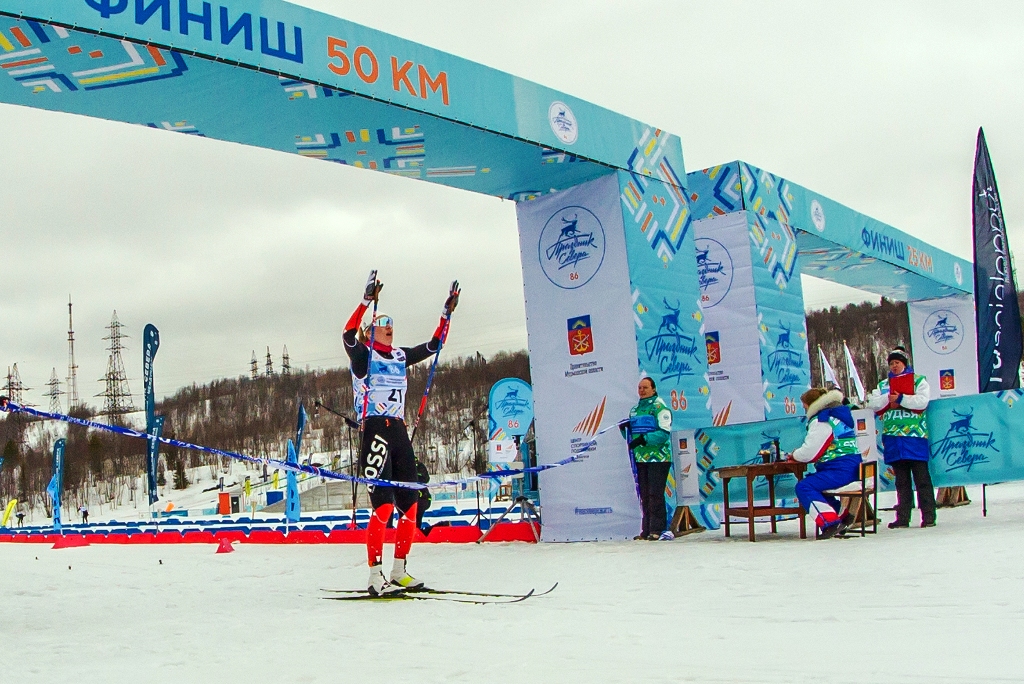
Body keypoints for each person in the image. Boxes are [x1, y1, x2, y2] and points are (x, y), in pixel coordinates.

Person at [344, 272, 457, 595]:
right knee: (381, 506)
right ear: (371, 332)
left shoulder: (398, 355)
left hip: (399, 432)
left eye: (392, 323)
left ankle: (399, 570)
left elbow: (434, 346)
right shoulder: (364, 356)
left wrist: (445, 314)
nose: (390, 327)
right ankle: (374, 574)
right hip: (375, 430)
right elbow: (347, 333)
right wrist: (366, 301)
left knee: (411, 504)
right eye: (383, 323)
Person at [866, 346, 935, 528]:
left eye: (897, 362)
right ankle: (903, 517)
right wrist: (889, 398)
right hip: (894, 439)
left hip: (915, 437)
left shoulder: (918, 381)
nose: (894, 366)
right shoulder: (883, 385)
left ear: (904, 363)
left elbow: (922, 402)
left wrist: (902, 398)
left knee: (922, 479)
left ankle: (928, 517)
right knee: (901, 481)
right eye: (891, 363)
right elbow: (873, 404)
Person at [786, 387, 862, 539]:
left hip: (839, 468)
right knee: (816, 483)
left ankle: (830, 522)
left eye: (804, 405)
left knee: (804, 486)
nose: (804, 409)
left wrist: (794, 454)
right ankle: (840, 516)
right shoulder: (838, 416)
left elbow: (810, 451)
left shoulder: (822, 419)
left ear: (812, 404)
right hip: (851, 466)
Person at [620, 377, 674, 541]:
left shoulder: (660, 408)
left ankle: (657, 529)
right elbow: (632, 436)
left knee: (655, 494)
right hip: (641, 458)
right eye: (639, 388)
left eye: (645, 387)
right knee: (644, 494)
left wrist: (644, 439)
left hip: (659, 458)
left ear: (654, 389)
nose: (642, 390)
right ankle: (646, 530)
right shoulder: (635, 410)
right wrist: (624, 430)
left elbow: (664, 434)